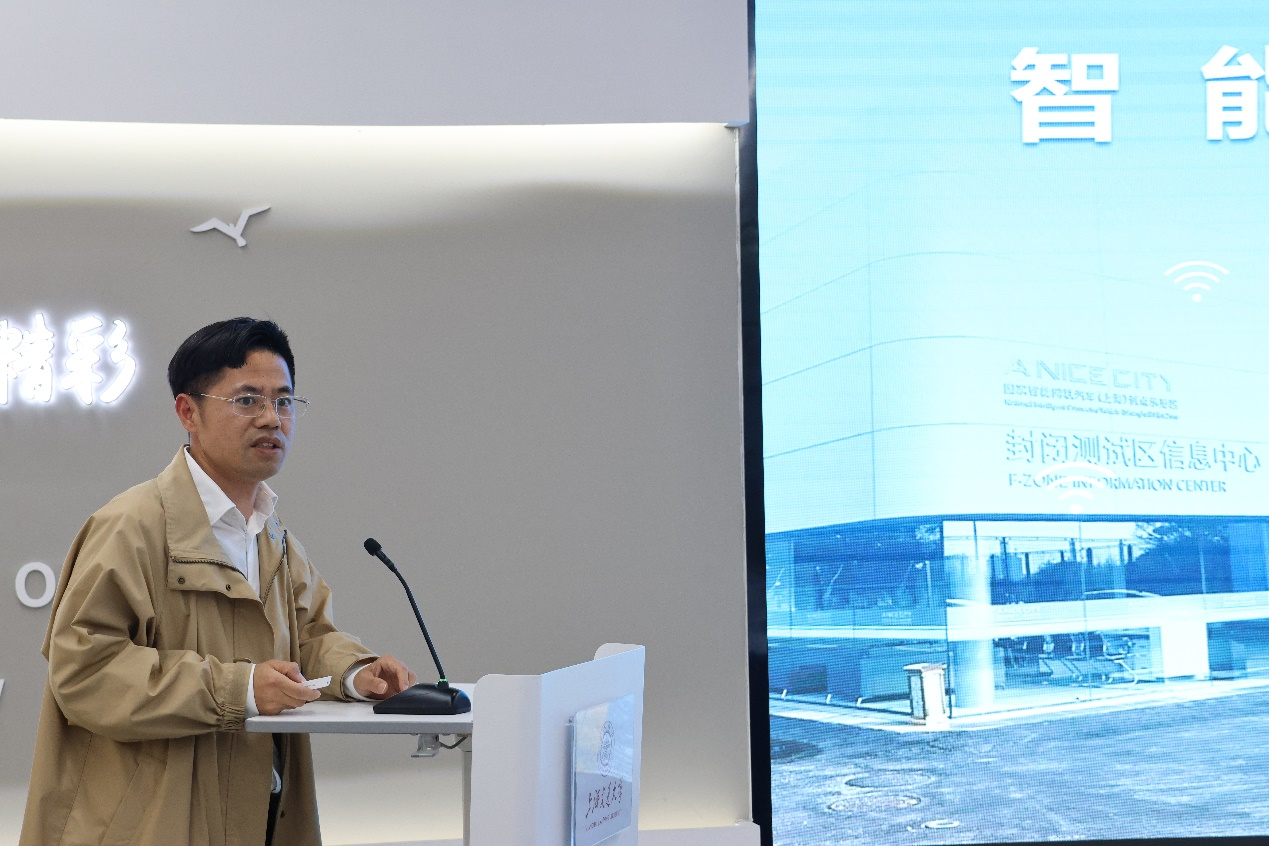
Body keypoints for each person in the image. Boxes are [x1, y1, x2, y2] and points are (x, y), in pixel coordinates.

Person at [20, 318, 417, 846]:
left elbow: (309, 639)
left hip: (260, 816)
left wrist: (355, 674)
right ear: (188, 412)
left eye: (284, 401)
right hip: (151, 825)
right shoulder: (132, 526)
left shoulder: (272, 536)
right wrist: (239, 689)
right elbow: (84, 671)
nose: (271, 418)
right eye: (247, 400)